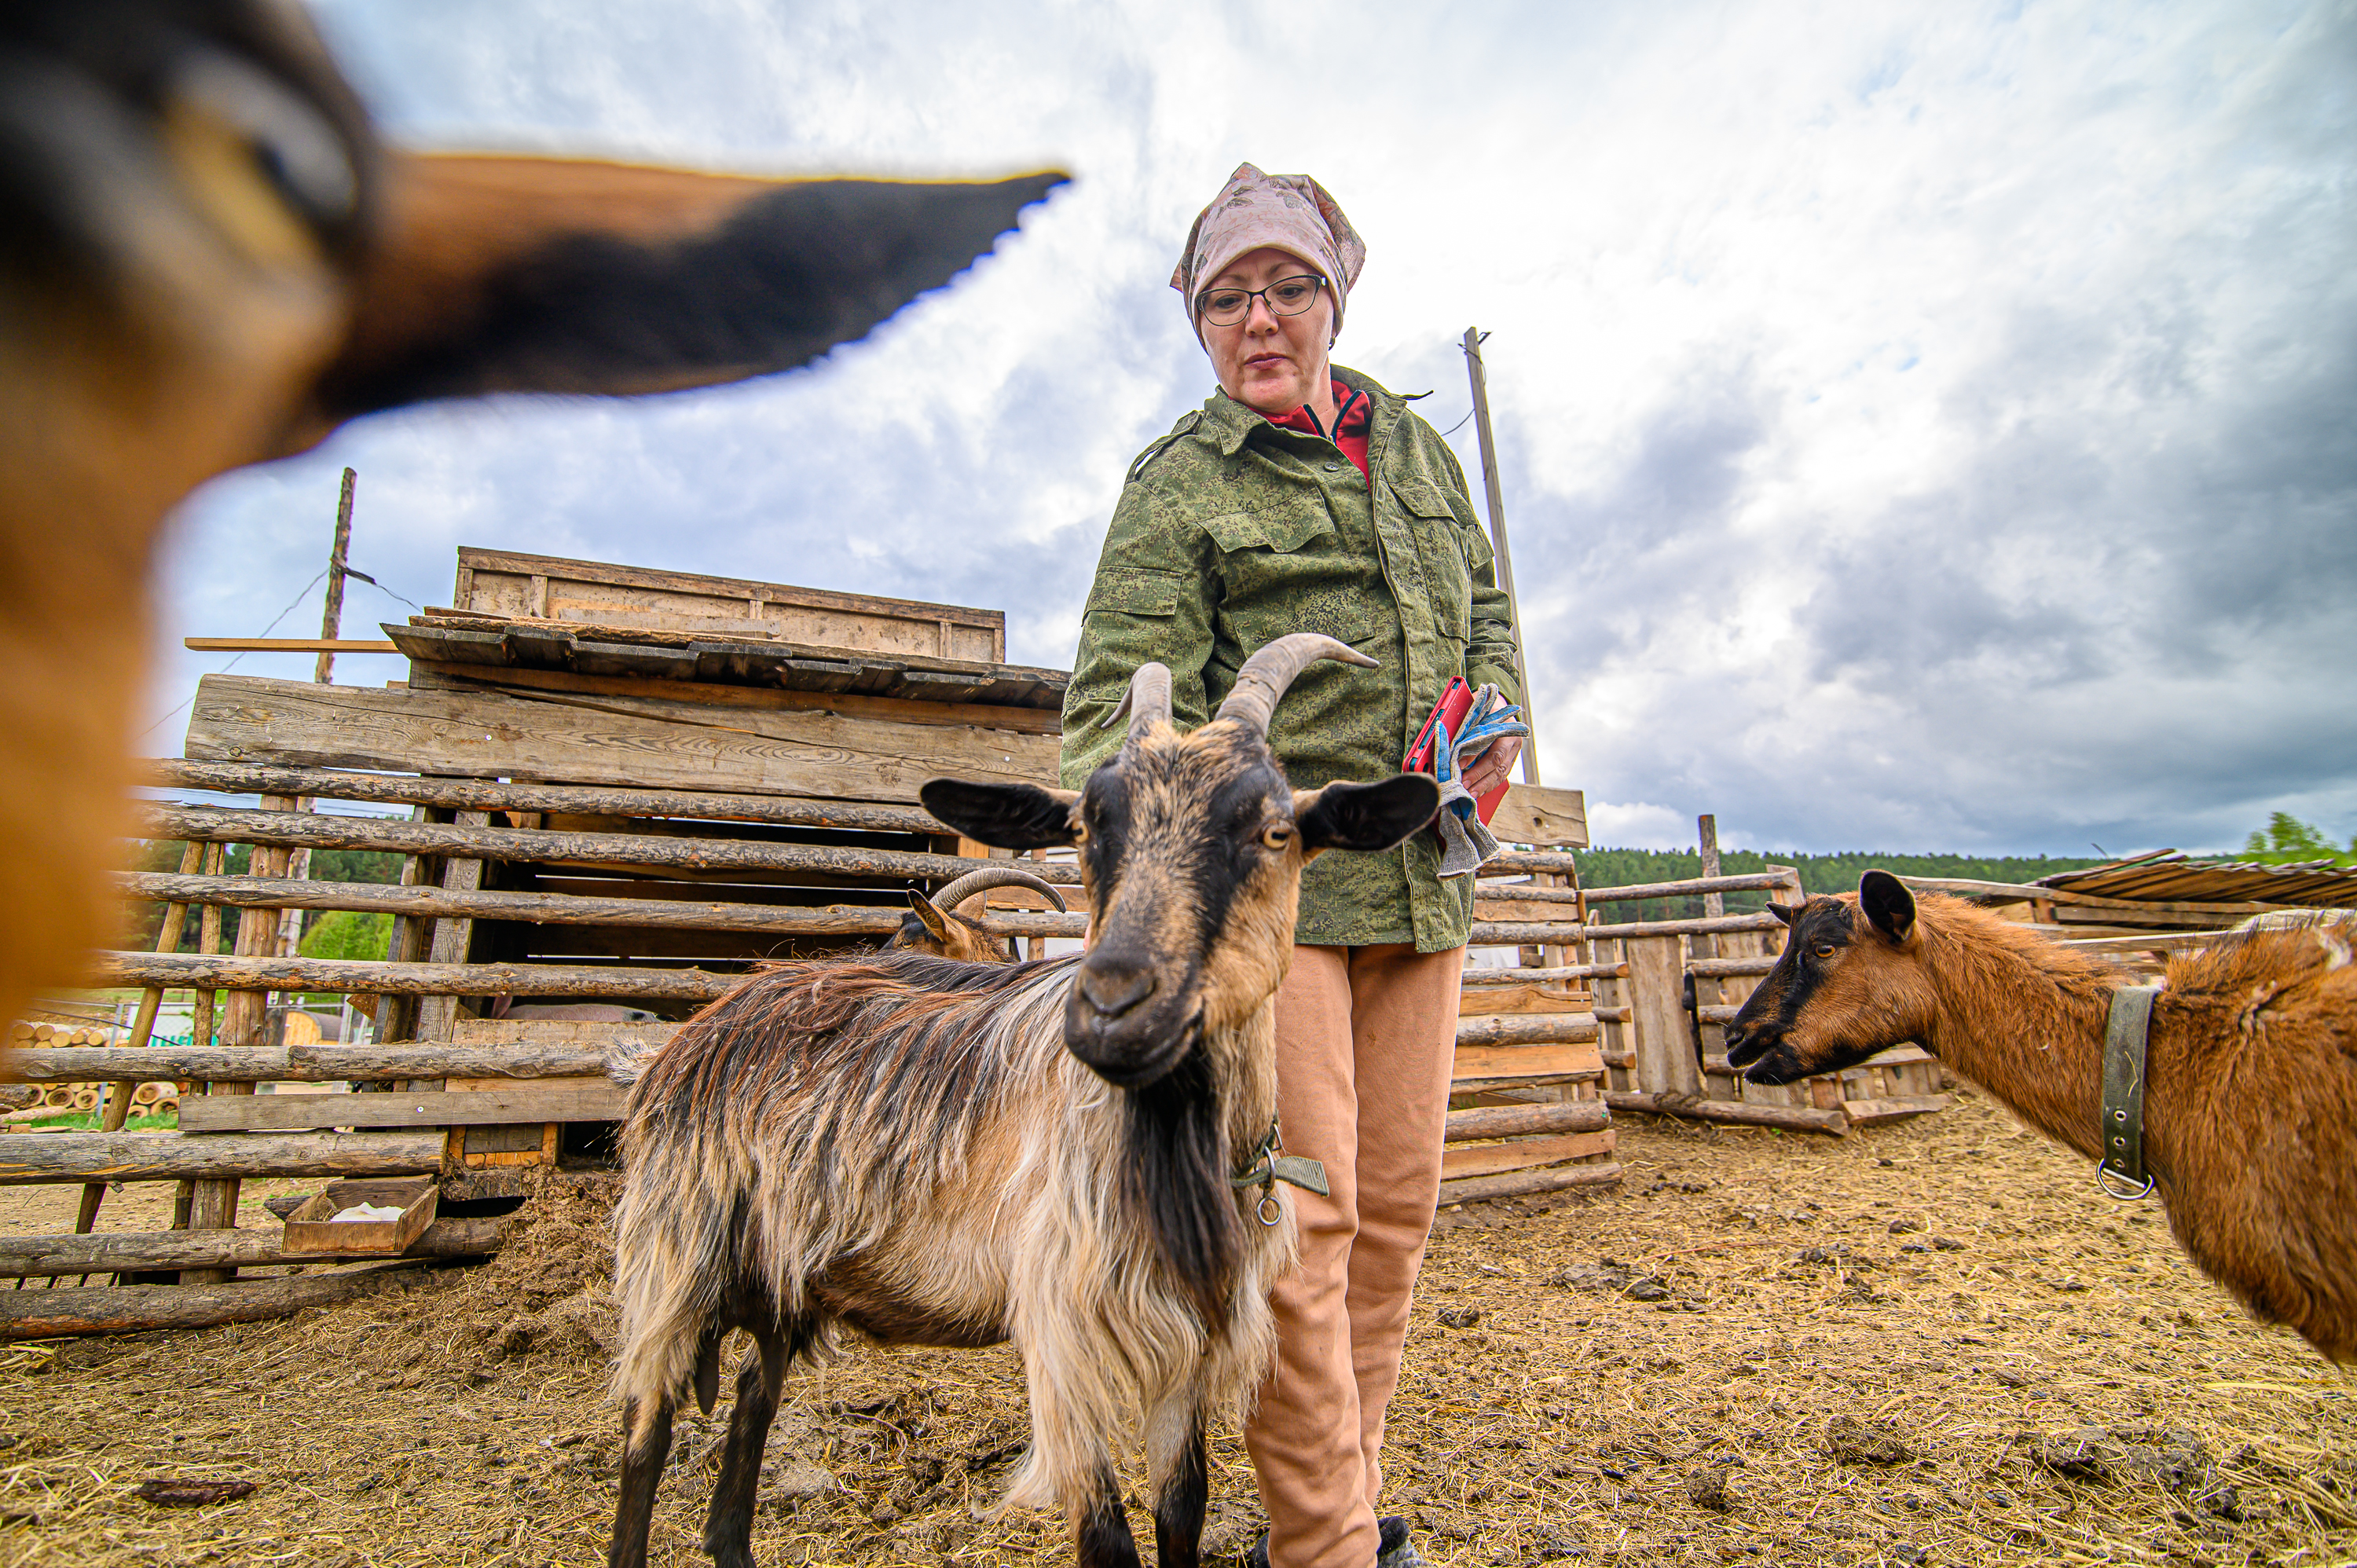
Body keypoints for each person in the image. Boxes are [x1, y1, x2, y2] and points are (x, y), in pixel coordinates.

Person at [1060, 164, 1524, 1568]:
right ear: (1197, 320)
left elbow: (1488, 611)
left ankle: (1340, 1513)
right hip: (1273, 906)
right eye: (1226, 297)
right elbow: (1107, 711)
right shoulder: (1182, 483)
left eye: (1287, 288)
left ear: (1336, 293)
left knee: (1393, 1218)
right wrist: (1198, 847)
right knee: (1305, 1232)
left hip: (1422, 872)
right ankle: (1331, 1548)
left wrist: (1493, 716)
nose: (1260, 319)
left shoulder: (1419, 453)